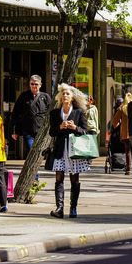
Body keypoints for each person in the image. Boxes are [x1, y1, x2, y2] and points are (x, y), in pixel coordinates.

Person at [48, 84, 90, 219]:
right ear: (60, 96)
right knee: (59, 177)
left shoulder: (79, 112)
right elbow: (51, 132)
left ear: (72, 97)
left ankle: (73, 208)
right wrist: (60, 126)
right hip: (60, 149)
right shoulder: (55, 113)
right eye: (63, 94)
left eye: (68, 94)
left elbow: (85, 131)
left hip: (74, 149)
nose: (65, 96)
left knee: (74, 179)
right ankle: (59, 208)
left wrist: (75, 127)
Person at [10, 75, 52, 153]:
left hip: (41, 129)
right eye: (32, 84)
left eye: (36, 84)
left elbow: (51, 113)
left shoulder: (45, 97)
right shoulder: (23, 96)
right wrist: (15, 131)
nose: (34, 86)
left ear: (40, 85)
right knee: (32, 151)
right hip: (28, 130)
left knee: (41, 152)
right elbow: (16, 113)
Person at [111, 93, 132, 175]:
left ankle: (128, 169)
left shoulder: (122, 108)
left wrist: (119, 126)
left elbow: (114, 122)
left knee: (128, 151)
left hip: (125, 133)